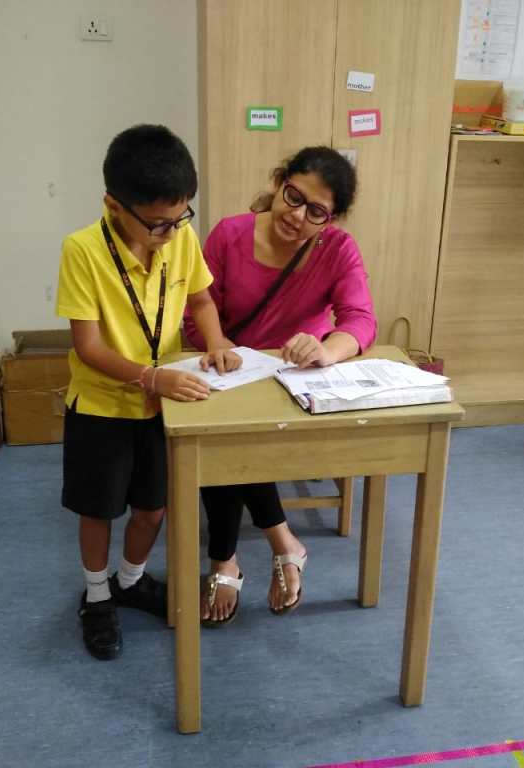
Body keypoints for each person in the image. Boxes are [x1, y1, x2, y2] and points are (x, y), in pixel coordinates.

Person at [57, 124, 241, 659]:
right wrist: (150, 376)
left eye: (181, 217)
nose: (171, 231)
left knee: (152, 509)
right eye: (158, 222)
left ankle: (131, 581)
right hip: (101, 406)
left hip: (162, 405)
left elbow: (201, 301)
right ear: (113, 205)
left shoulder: (180, 238)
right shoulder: (82, 250)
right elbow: (88, 346)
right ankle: (96, 596)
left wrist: (217, 341)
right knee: (99, 510)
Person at [184, 146, 377, 626]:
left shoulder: (337, 249)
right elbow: (196, 313)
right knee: (228, 435)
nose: (297, 216)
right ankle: (282, 544)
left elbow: (360, 319)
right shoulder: (230, 234)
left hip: (290, 381)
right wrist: (219, 345)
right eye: (293, 196)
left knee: (233, 442)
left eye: (316, 212)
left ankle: (224, 561)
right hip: (229, 371)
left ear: (331, 220)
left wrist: (327, 350)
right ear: (278, 182)